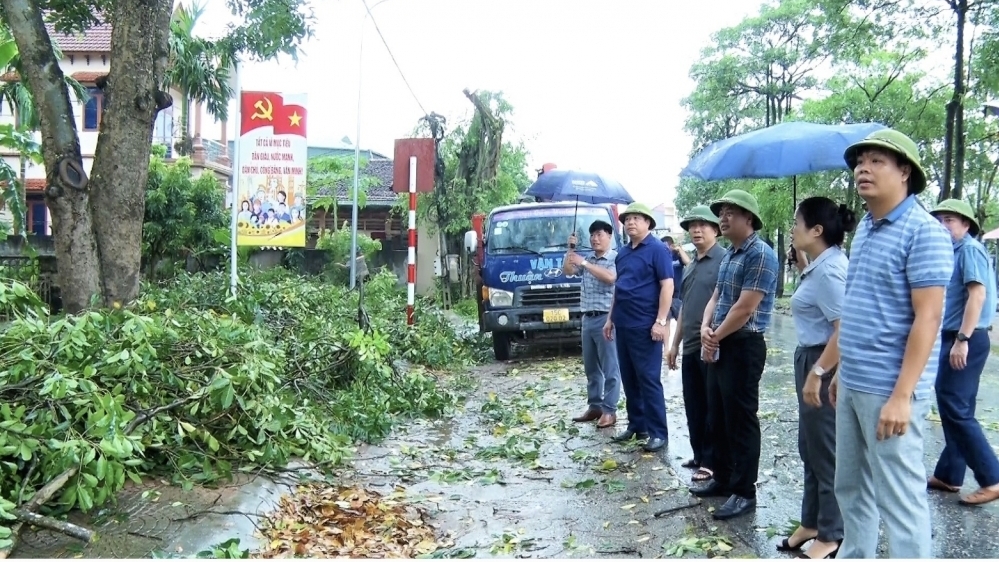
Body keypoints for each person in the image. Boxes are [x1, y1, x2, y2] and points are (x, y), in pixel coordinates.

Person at [834, 128, 952, 559]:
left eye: (876, 161)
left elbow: (929, 317)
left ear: (905, 171)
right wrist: (837, 370)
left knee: (900, 499)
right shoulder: (866, 226)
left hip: (891, 388)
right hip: (853, 381)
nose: (863, 169)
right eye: (860, 161)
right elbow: (858, 306)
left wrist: (902, 396)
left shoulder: (924, 232)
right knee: (850, 487)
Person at [690, 189, 778, 522]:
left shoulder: (761, 254)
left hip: (743, 345)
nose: (723, 218)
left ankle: (744, 491)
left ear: (749, 218)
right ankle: (723, 478)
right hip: (719, 341)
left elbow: (745, 307)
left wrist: (715, 336)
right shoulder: (730, 254)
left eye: (730, 212)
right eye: (722, 212)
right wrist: (706, 328)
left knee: (741, 419)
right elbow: (718, 295)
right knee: (719, 415)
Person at [780, 197, 853, 559]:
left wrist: (819, 372)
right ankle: (812, 521)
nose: (792, 229)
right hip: (810, 355)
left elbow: (844, 330)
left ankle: (832, 532)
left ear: (817, 231)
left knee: (825, 451)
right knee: (809, 446)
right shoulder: (820, 266)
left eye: (797, 223)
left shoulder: (830, 271)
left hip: (824, 360)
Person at [927, 198, 999, 506]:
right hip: (960, 336)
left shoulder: (968, 250)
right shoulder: (954, 251)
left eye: (950, 220)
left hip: (964, 338)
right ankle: (949, 475)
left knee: (954, 406)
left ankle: (992, 477)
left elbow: (977, 295)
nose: (943, 226)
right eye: (939, 220)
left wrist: (962, 339)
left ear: (965, 225)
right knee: (955, 406)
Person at [602, 202, 673, 453]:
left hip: (646, 325)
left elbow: (667, 286)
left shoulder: (657, 250)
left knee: (648, 379)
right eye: (627, 219)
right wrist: (610, 319)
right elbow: (618, 289)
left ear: (648, 223)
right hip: (623, 322)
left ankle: (658, 433)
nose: (630, 222)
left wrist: (661, 321)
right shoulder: (623, 253)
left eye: (636, 218)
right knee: (630, 378)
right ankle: (637, 425)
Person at [665, 206, 724, 484]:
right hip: (688, 345)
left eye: (703, 225)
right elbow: (685, 307)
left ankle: (713, 461)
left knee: (713, 406)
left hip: (712, 345)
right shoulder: (690, 267)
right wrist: (674, 344)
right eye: (692, 226)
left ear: (716, 230)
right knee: (694, 405)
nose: (697, 230)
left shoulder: (724, 260)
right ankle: (699, 453)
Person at [565, 220, 621, 429]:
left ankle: (609, 410)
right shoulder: (587, 258)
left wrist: (585, 264)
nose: (595, 239)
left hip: (606, 318)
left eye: (599, 234)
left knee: (610, 368)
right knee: (591, 368)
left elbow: (610, 278)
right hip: (587, 318)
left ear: (609, 236)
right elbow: (568, 271)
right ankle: (595, 406)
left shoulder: (615, 258)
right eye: (592, 235)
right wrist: (570, 249)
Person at [661, 235, 690, 321]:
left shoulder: (677, 256)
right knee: (665, 321)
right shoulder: (660, 257)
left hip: (678, 296)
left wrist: (680, 250)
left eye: (667, 246)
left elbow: (689, 263)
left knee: (682, 321)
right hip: (665, 295)